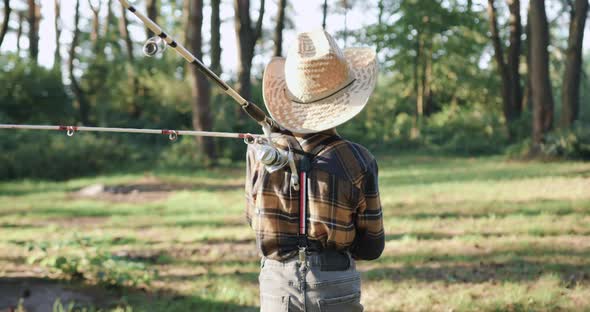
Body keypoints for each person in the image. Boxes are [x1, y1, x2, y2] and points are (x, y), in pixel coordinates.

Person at [245, 29, 384, 312]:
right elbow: (372, 245)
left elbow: (253, 219)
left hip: (276, 286)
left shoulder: (258, 153)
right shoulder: (357, 159)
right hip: (335, 284)